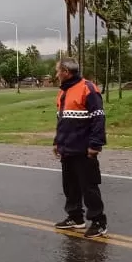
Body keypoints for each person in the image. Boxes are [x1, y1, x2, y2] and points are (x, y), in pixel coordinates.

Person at [52, 59, 107, 238]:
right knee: (70, 186)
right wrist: (57, 142)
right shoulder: (63, 91)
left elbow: (99, 118)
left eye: (57, 71)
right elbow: (62, 120)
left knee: (89, 186)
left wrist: (95, 144)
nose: (56, 74)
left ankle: (98, 222)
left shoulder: (88, 88)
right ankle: (75, 217)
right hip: (67, 148)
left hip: (84, 149)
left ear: (66, 71)